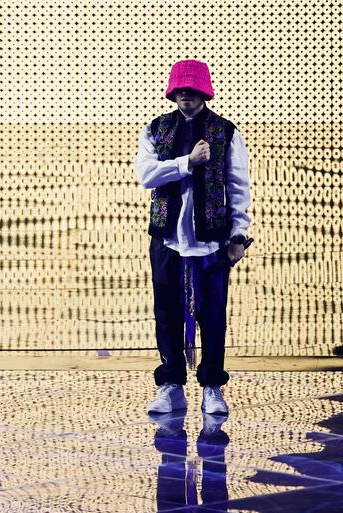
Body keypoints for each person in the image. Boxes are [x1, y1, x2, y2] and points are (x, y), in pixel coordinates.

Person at [135, 60, 251, 415]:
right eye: (180, 89)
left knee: (212, 313)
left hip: (211, 241)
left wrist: (238, 234)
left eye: (192, 89)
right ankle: (170, 384)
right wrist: (188, 161)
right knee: (167, 312)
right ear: (173, 91)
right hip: (167, 239)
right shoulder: (156, 129)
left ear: (204, 91)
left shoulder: (225, 132)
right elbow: (147, 175)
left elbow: (238, 186)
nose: (186, 94)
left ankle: (212, 385)